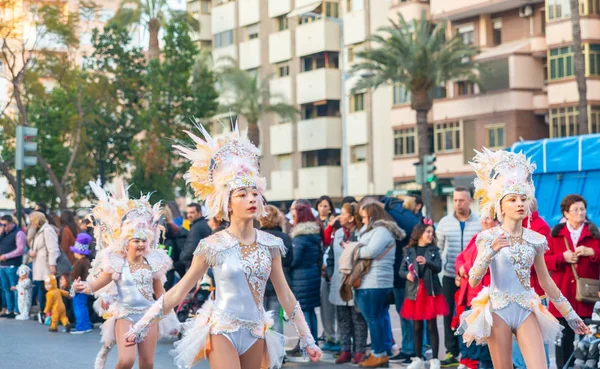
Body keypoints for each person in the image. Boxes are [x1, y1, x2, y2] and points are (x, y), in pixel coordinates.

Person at [123, 124, 322, 369]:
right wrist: (142, 325)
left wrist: (308, 339)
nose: (251, 198)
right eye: (241, 194)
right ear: (227, 203)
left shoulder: (272, 244)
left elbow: (286, 295)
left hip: (257, 330)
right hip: (222, 329)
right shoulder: (212, 245)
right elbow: (179, 290)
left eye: (254, 193)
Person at [458, 148, 589, 369]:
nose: (520, 204)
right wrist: (490, 251)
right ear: (500, 206)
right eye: (512, 200)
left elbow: (547, 282)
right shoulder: (487, 237)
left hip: (527, 307)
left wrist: (571, 315)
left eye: (523, 199)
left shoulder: (536, 239)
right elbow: (472, 281)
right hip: (497, 309)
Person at [72, 179, 178, 369]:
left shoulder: (153, 263)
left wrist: (171, 316)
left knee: (147, 363)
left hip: (149, 315)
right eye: (136, 240)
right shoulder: (117, 262)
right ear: (126, 242)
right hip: (125, 315)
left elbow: (160, 293)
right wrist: (84, 287)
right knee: (127, 360)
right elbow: (99, 282)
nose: (141, 244)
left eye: (144, 241)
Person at [545, 194, 600, 369]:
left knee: (589, 342)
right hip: (562, 296)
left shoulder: (594, 232)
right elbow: (543, 261)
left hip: (587, 298)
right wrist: (562, 257)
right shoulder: (555, 234)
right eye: (575, 210)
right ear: (566, 213)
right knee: (563, 342)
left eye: (582, 209)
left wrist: (592, 252)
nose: (579, 213)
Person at [354, 202, 405, 368]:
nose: (362, 221)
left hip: (374, 281)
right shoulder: (380, 230)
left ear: (371, 216)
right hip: (376, 281)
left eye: (363, 217)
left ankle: (378, 353)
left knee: (373, 319)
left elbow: (370, 252)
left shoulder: (381, 231)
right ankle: (383, 351)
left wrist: (352, 250)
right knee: (379, 317)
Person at [436, 187, 481, 367]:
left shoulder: (478, 222)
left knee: (470, 315)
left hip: (472, 279)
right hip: (449, 275)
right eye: (455, 200)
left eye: (461, 200)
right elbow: (437, 249)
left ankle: (471, 353)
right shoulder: (444, 222)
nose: (457, 204)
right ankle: (451, 351)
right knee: (448, 314)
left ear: (469, 201)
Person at [400, 223, 448, 369]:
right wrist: (407, 275)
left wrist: (427, 262)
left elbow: (438, 267)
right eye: (428, 232)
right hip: (414, 292)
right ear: (419, 233)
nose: (430, 235)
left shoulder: (433, 250)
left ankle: (434, 359)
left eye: (432, 232)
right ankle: (418, 359)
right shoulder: (408, 250)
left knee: (432, 326)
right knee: (417, 327)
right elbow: (401, 270)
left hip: (430, 291)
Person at [379, 195, 420, 363]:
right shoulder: (402, 213)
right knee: (407, 312)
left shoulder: (392, 213)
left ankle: (411, 349)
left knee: (406, 313)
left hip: (402, 270)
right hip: (405, 269)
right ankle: (413, 347)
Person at [327, 202, 368, 364]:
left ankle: (360, 351)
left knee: (358, 319)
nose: (339, 217)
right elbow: (330, 256)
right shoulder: (337, 233)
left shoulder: (361, 233)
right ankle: (345, 350)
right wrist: (330, 274)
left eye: (342, 214)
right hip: (338, 282)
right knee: (342, 318)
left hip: (355, 281)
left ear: (351, 217)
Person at [454, 216, 497, 369]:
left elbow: (482, 262)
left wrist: (465, 268)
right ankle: (470, 361)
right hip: (469, 293)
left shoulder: (497, 239)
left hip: (483, 294)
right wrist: (460, 268)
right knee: (470, 333)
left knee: (484, 339)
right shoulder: (477, 237)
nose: (485, 221)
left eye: (489, 218)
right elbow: (461, 256)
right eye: (483, 218)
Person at [289, 204, 323, 354]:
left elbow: (294, 260)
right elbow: (319, 257)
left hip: (300, 277)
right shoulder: (314, 235)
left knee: (302, 312)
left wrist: (285, 263)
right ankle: (313, 342)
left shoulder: (300, 238)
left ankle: (307, 345)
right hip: (313, 274)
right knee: (310, 311)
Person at [259, 205, 293, 336]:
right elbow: (290, 259)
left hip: (260, 281)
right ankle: (279, 351)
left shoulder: (257, 236)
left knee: (260, 318)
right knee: (275, 317)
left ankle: (264, 351)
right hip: (279, 281)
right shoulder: (283, 237)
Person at [314, 195, 339, 352]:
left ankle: (339, 336)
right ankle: (329, 334)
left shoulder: (336, 222)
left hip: (334, 265)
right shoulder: (313, 222)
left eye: (326, 205)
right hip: (320, 268)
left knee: (337, 306)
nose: (323, 208)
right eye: (321, 205)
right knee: (325, 305)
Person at [28, 211, 60, 315]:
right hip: (39, 263)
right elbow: (33, 245)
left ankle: (48, 312)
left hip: (46, 264)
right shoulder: (38, 231)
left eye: (32, 221)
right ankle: (44, 311)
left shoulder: (47, 230)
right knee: (41, 288)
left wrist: (52, 264)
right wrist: (31, 252)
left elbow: (53, 248)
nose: (31, 223)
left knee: (47, 289)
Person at [0, 214, 26, 319]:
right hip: (2, 265)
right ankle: (8, 308)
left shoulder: (18, 233)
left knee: (14, 288)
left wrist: (7, 256)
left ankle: (16, 309)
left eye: (4, 224)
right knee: (5, 288)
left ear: (11, 223)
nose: (3, 226)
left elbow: (20, 249)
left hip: (12, 264)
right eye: (0, 224)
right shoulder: (3, 233)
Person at [69, 233, 93, 334]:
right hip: (85, 286)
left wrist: (72, 289)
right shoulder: (86, 261)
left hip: (79, 286)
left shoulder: (79, 263)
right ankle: (86, 324)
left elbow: (75, 276)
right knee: (83, 306)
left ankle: (81, 326)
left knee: (78, 306)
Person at [180, 203, 212, 269]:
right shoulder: (205, 223)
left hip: (197, 265)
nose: (189, 215)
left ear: (199, 213)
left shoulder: (196, 228)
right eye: (187, 213)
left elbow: (192, 247)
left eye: (192, 213)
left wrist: (182, 258)